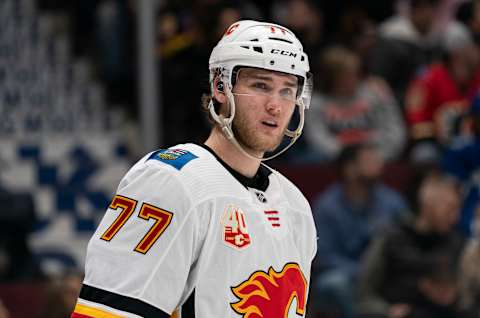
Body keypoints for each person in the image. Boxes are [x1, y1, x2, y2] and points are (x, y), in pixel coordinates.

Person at [71, 20, 317, 318]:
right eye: (260, 85)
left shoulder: (295, 205)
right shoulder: (170, 181)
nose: (275, 106)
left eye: (287, 90)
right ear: (220, 87)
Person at [309, 144, 408, 318]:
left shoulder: (392, 202)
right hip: (349, 274)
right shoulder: (327, 206)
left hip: (386, 273)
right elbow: (323, 256)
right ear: (350, 169)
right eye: (369, 161)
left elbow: (408, 241)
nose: (379, 165)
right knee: (334, 283)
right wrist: (361, 271)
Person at [356, 171, 466, 318]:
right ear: (428, 203)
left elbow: (468, 298)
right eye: (450, 208)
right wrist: (387, 311)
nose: (456, 216)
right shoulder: (390, 238)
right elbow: (364, 293)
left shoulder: (459, 243)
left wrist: (452, 298)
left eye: (458, 209)